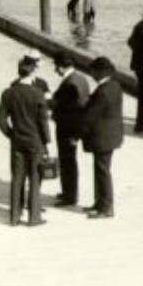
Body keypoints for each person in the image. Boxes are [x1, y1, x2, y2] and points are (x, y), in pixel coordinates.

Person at [0, 54, 52, 227]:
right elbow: (43, 122)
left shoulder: (8, 93)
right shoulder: (37, 94)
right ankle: (34, 217)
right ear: (32, 73)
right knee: (35, 178)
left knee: (17, 178)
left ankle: (14, 216)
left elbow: (1, 121)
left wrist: (12, 134)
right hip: (35, 141)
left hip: (17, 141)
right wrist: (46, 143)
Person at [80, 57, 125, 219]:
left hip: (102, 137)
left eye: (93, 71)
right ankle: (100, 203)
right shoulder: (115, 85)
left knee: (102, 171)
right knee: (101, 170)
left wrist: (78, 133)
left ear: (101, 72)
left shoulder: (102, 92)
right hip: (111, 136)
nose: (91, 74)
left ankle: (106, 208)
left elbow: (90, 117)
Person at [49, 54, 93, 207]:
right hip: (75, 126)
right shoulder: (81, 78)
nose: (56, 70)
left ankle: (69, 195)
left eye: (56, 67)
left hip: (67, 128)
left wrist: (49, 102)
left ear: (61, 67)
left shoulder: (70, 84)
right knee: (69, 161)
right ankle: (68, 192)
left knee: (67, 161)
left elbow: (65, 105)